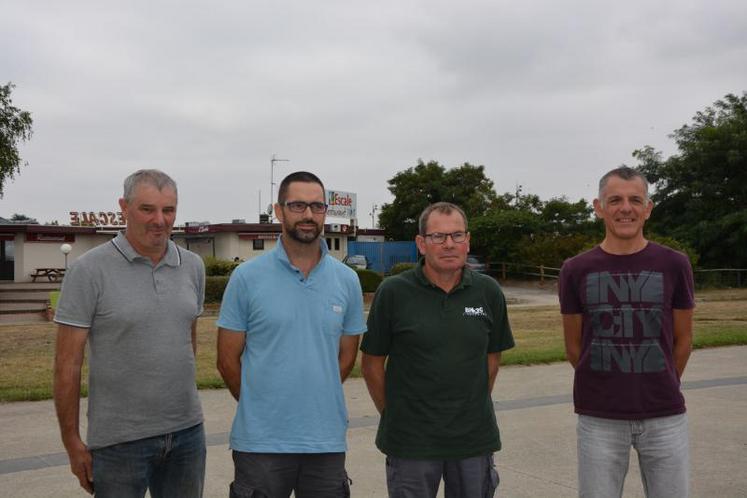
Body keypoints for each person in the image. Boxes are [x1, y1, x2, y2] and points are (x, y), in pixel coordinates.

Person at [53, 169, 206, 497]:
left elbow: (187, 340)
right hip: (118, 443)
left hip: (187, 434)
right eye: (147, 209)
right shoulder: (88, 270)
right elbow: (67, 365)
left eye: (169, 210)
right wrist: (72, 442)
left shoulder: (193, 266)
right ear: (124, 207)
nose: (160, 220)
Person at [217, 171, 366, 498]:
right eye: (298, 205)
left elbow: (346, 358)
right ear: (279, 210)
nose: (309, 215)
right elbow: (227, 360)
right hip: (260, 444)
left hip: (325, 441)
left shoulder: (347, 281)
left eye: (317, 206)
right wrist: (261, 404)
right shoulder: (246, 278)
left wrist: (314, 396)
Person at [361, 201, 514, 498]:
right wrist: (395, 414)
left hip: (473, 440)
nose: (448, 244)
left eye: (457, 236)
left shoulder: (488, 292)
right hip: (411, 443)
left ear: (467, 241)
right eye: (437, 237)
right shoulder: (393, 292)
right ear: (421, 243)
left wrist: (468, 405)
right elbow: (371, 364)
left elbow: (492, 359)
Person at [559, 166, 695, 498]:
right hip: (599, 417)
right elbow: (574, 346)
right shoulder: (575, 269)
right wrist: (609, 384)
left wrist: (660, 381)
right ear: (598, 207)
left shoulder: (674, 264)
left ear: (648, 208)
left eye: (635, 199)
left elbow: (683, 339)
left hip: (664, 414)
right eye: (615, 199)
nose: (625, 208)